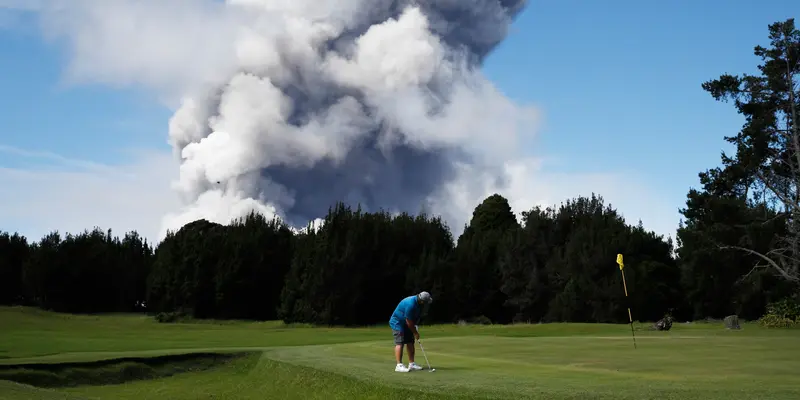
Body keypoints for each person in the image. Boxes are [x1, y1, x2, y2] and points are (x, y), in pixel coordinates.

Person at [389, 291, 432, 372]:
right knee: (400, 342)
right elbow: (408, 321)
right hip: (397, 322)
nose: (426, 304)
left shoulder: (419, 303)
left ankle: (411, 364)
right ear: (422, 301)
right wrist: (415, 332)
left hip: (406, 323)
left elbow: (413, 318)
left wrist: (415, 326)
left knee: (410, 342)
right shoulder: (411, 304)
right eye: (426, 302)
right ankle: (399, 365)